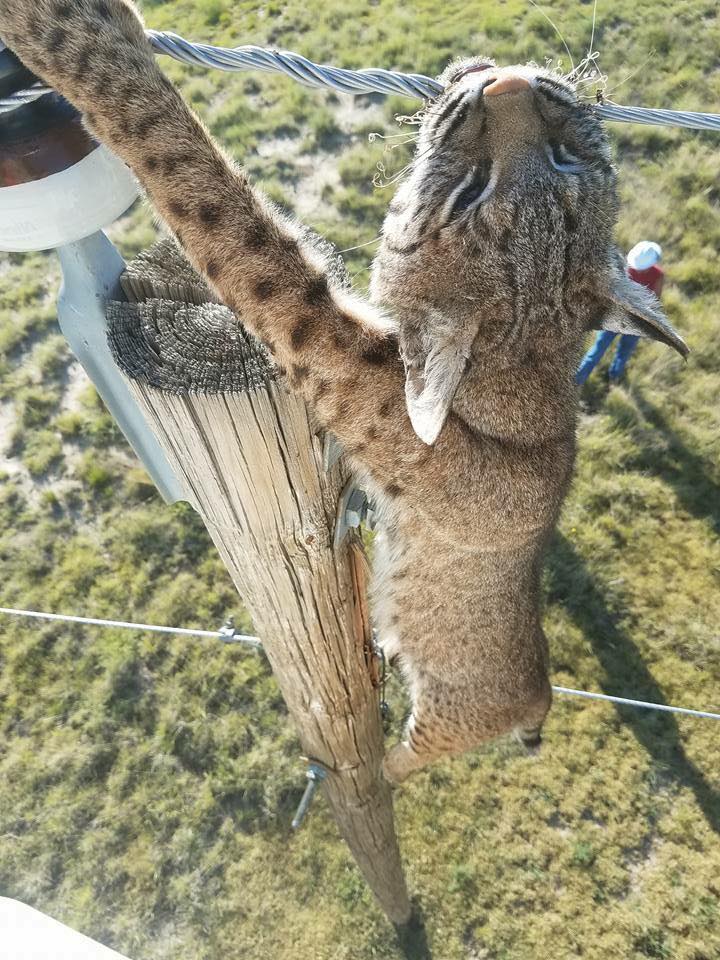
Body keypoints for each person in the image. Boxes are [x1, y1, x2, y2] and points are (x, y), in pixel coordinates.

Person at [576, 241, 665, 385]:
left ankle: (578, 380)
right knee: (623, 351)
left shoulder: (623, 268)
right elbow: (655, 300)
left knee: (598, 350)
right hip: (637, 321)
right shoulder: (657, 275)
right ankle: (614, 378)